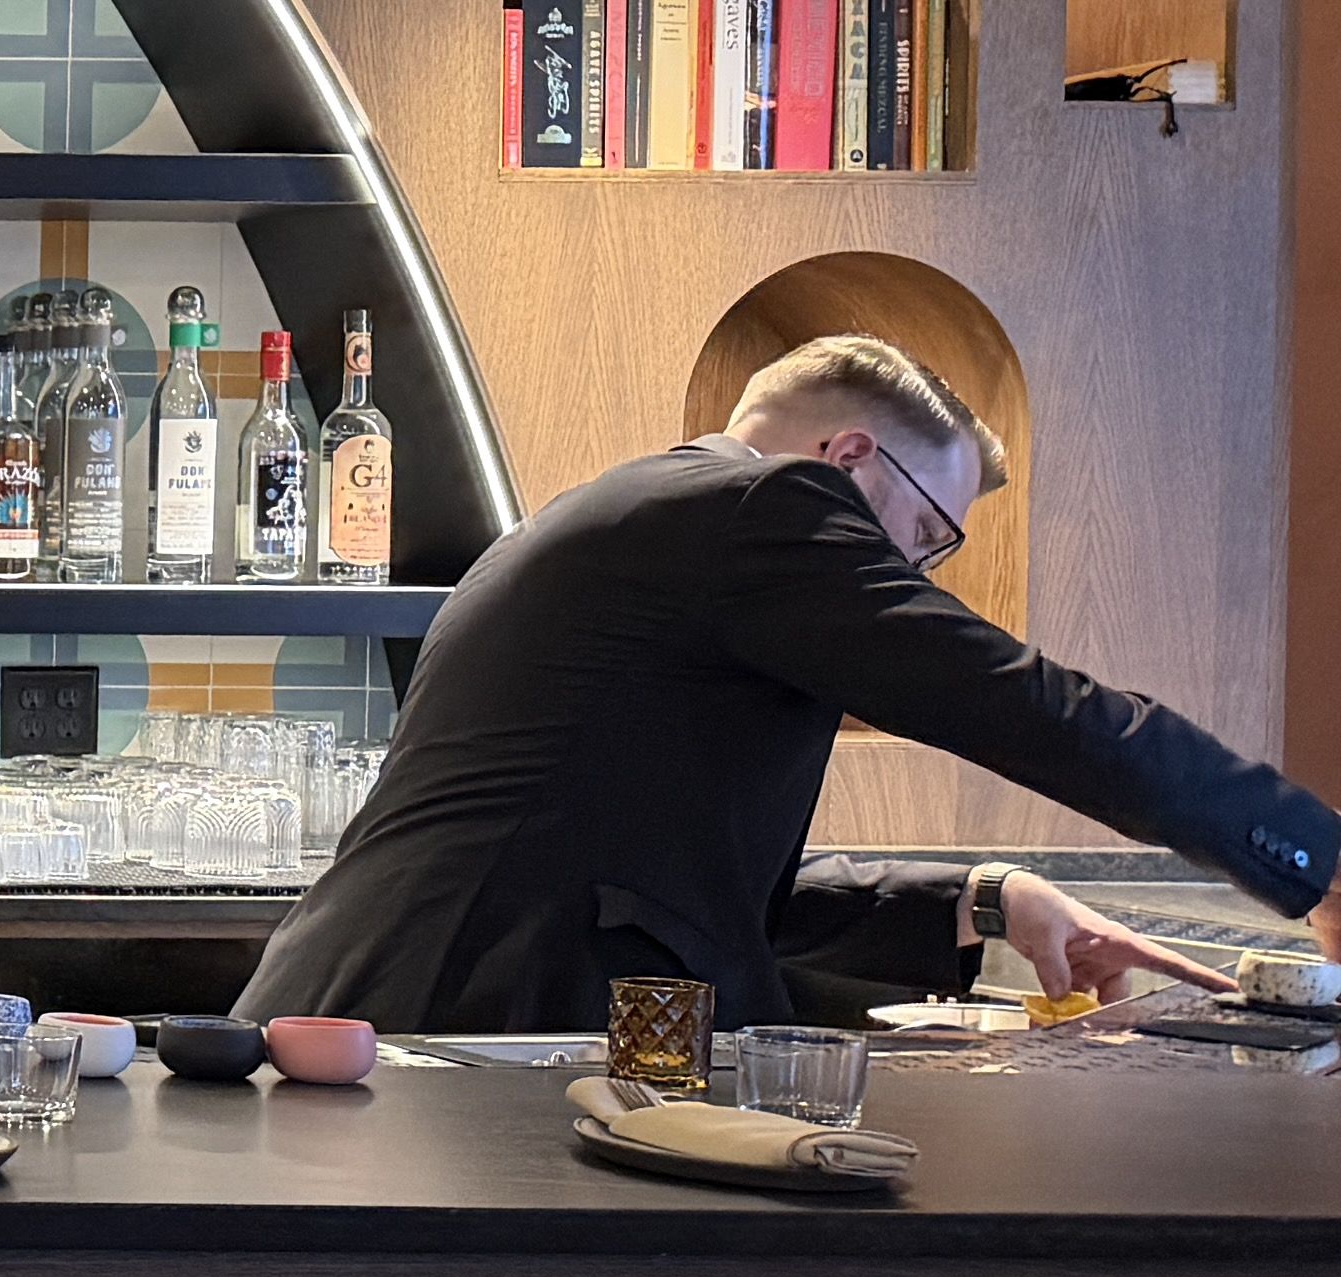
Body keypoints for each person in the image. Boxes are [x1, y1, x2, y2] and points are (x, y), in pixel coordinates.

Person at [238, 332, 1340, 1038]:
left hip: (405, 1013)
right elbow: (1018, 700)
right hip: (472, 1022)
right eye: (922, 536)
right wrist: (1318, 861)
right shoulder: (769, 509)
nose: (909, 576)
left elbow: (666, 877)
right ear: (851, 453)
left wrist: (991, 899)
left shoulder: (642, 518)